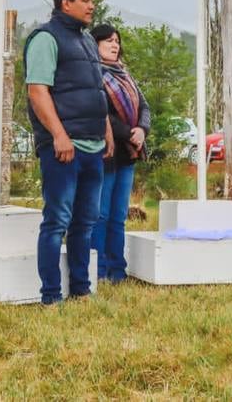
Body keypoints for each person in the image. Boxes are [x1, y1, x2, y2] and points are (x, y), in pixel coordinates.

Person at [25, 0, 115, 304]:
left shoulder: (88, 41)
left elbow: (96, 90)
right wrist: (59, 135)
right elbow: (38, 91)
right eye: (85, 0)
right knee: (57, 221)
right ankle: (50, 296)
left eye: (93, 0)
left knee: (85, 222)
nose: (91, 5)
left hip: (92, 146)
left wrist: (105, 129)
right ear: (66, 3)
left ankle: (80, 290)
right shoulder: (46, 38)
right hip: (63, 148)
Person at [89, 23, 151, 283]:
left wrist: (142, 130)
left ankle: (117, 269)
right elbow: (102, 114)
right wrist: (129, 133)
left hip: (128, 154)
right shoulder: (93, 74)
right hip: (105, 153)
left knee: (118, 215)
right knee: (100, 214)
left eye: (116, 41)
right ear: (96, 45)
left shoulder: (125, 74)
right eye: (108, 41)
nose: (114, 45)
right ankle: (99, 269)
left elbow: (144, 106)